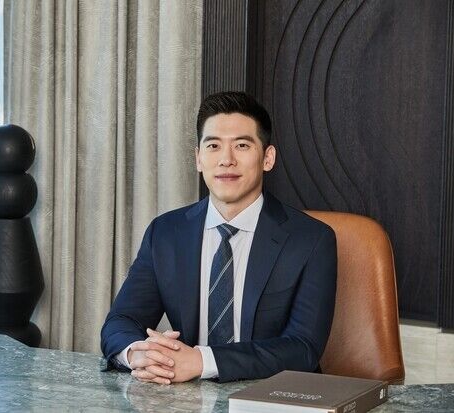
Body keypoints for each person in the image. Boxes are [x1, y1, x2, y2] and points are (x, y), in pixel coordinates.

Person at [100, 91, 337, 384]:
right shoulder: (166, 233)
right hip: (186, 395)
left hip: (271, 396)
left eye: (241, 145)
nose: (226, 160)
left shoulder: (311, 240)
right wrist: (139, 354)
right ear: (198, 158)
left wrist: (202, 361)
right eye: (213, 146)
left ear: (267, 158)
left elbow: (303, 348)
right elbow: (122, 321)